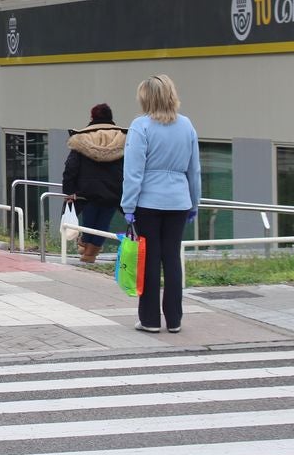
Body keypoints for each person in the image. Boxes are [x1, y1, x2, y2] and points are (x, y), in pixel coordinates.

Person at [120, 75, 201, 335]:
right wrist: (194, 203)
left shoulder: (140, 126)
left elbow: (133, 172)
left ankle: (150, 320)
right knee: (172, 259)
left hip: (148, 202)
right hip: (179, 201)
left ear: (146, 98)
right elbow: (194, 170)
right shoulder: (187, 125)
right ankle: (175, 320)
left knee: (150, 259)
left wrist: (128, 206)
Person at [62, 103, 126, 263]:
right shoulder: (124, 138)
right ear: (110, 117)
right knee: (103, 223)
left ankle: (86, 250)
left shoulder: (81, 138)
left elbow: (71, 167)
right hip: (114, 190)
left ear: (92, 117)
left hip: (86, 191)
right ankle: (90, 254)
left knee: (89, 222)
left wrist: (69, 190)